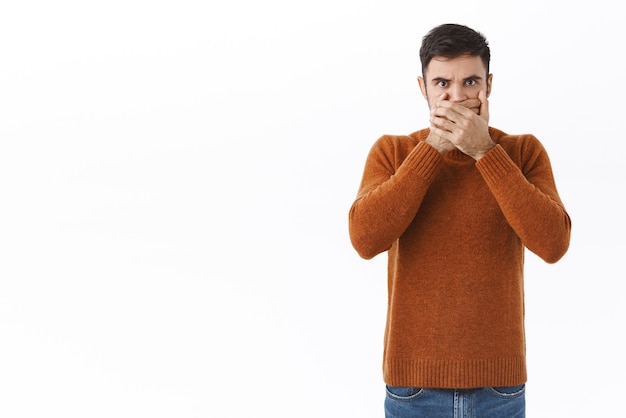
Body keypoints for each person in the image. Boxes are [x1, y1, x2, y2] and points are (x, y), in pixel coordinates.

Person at [348, 23, 571, 418]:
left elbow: (553, 245)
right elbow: (365, 239)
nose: (456, 97)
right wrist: (433, 148)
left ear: (488, 84)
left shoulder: (521, 152)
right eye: (441, 84)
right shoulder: (394, 151)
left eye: (470, 81)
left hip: (499, 388)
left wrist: (485, 152)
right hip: (412, 389)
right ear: (423, 88)